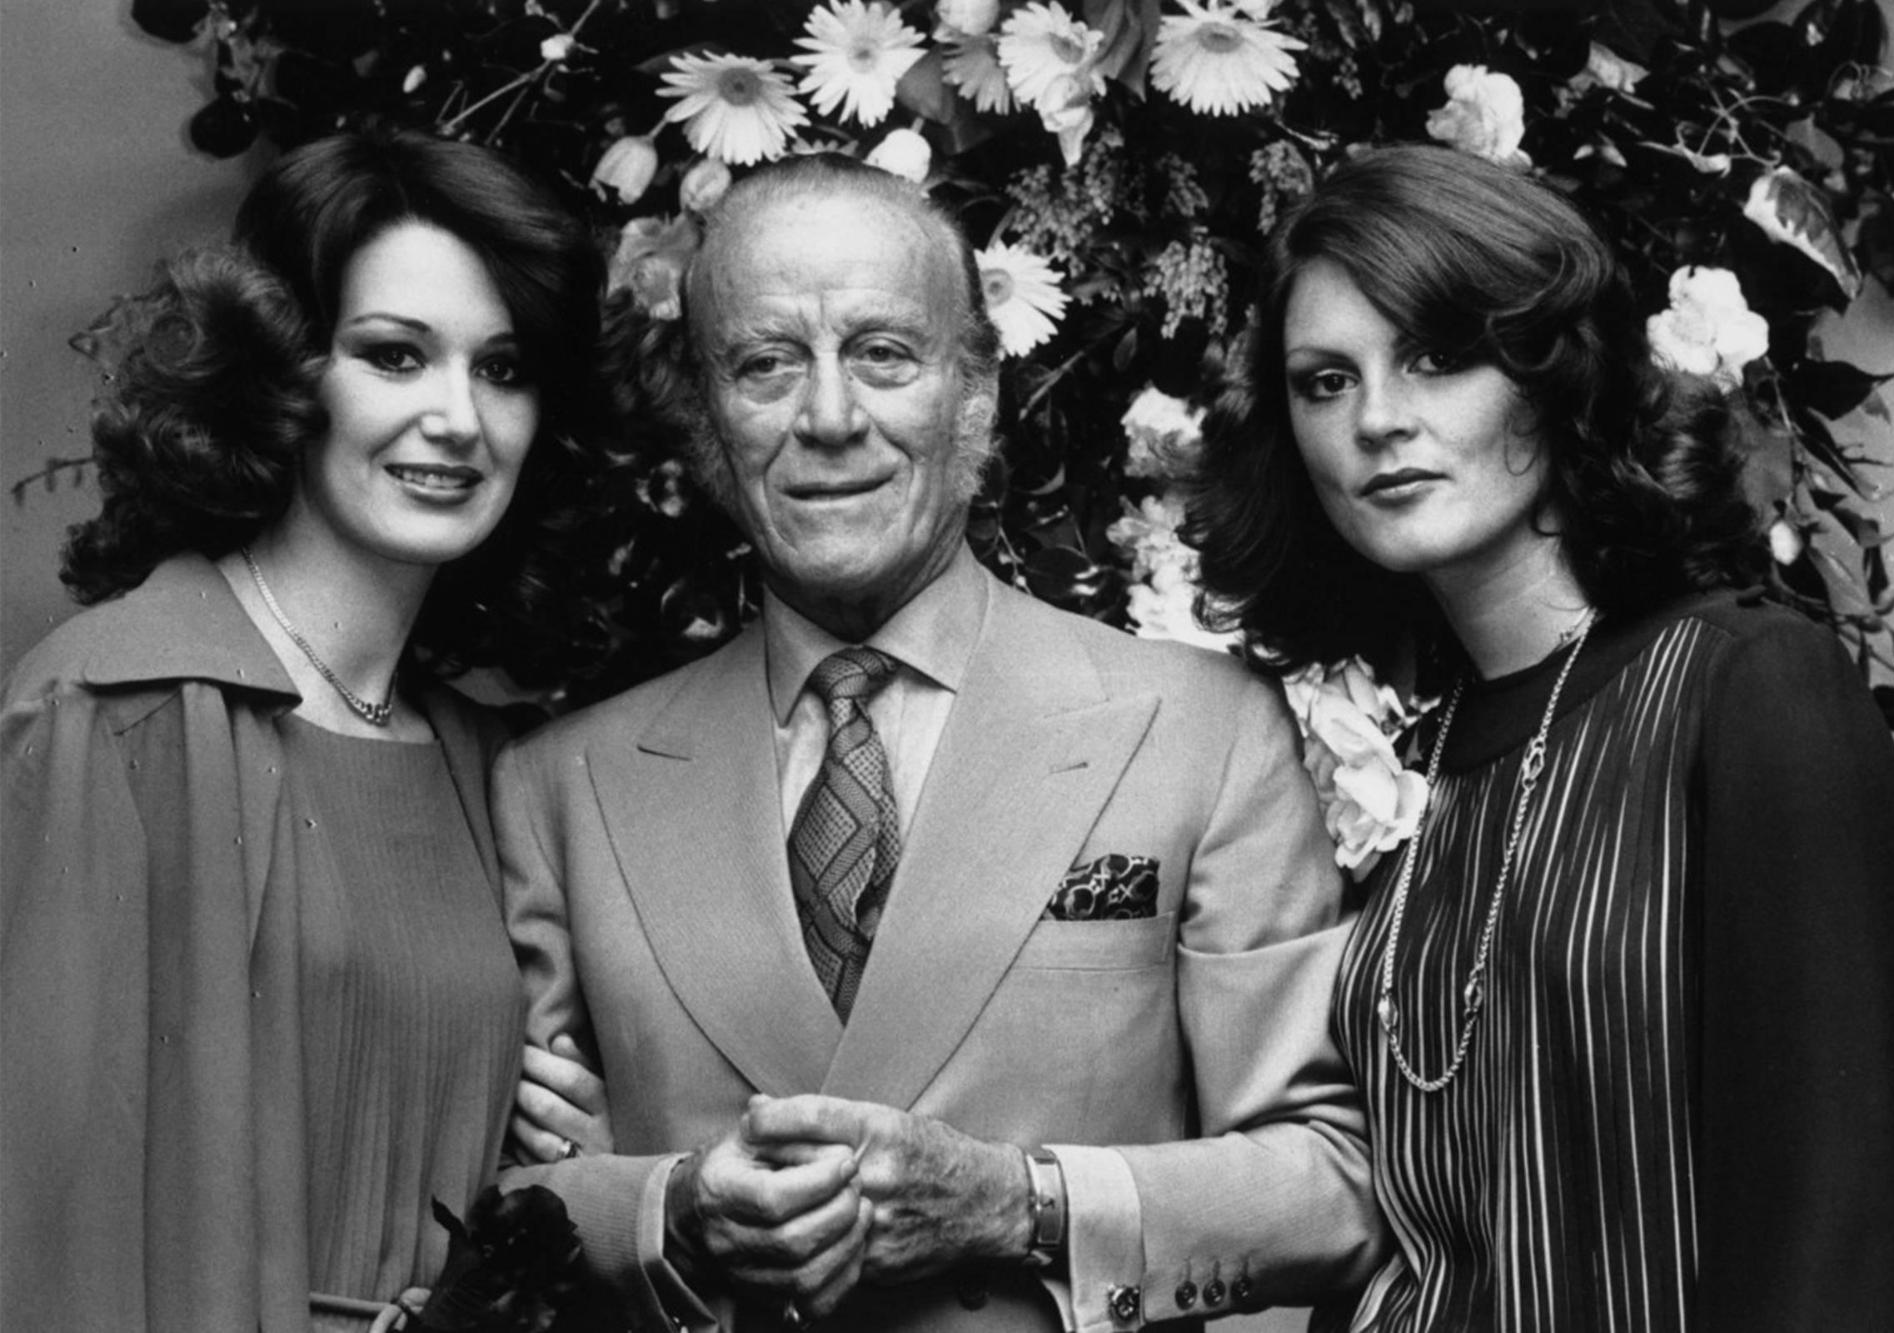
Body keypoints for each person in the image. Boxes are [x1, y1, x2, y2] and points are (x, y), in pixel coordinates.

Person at [493, 151, 1387, 1332]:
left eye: (882, 354)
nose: (828, 417)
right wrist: (668, 1210)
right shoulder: (563, 785)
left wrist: (1021, 1203)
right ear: (705, 419)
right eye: (765, 364)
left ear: (975, 392)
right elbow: (500, 1198)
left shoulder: (1201, 732)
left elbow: (1336, 1181)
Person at [1185, 142, 1894, 1332]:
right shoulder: (1400, 763)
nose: (1377, 420)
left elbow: (1841, 1238)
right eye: (1325, 381)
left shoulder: (1741, 687)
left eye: (1436, 357)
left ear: (1554, 373)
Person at [2, 126, 614, 1332]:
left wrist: (580, 1163)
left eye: (502, 369)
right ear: (281, 372)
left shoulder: (492, 764)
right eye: (395, 355)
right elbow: (49, 1245)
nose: (458, 418)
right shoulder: (120, 710)